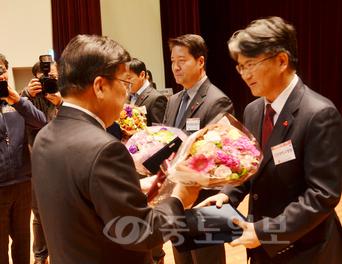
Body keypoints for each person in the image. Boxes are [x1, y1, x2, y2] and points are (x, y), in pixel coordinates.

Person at [31, 34, 200, 264]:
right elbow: (141, 233)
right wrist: (179, 198)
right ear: (100, 86)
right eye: (124, 84)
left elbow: (78, 197)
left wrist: (134, 185)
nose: (127, 94)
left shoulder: (45, 135)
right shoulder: (104, 149)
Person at [197, 17, 342, 264]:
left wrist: (265, 232)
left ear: (281, 61)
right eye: (240, 66)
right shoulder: (254, 110)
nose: (245, 74)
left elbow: (323, 195)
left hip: (306, 251)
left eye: (251, 64)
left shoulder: (319, 115)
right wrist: (227, 194)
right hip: (264, 248)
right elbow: (252, 165)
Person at [162, 34, 234, 264]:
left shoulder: (217, 100)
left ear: (200, 62)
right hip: (177, 197)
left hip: (204, 199)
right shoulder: (173, 101)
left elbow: (218, 157)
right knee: (182, 259)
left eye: (182, 60)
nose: (176, 67)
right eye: (173, 61)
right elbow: (168, 143)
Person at [0, 53, 46, 264]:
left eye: (1, 70)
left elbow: (40, 122)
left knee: (21, 243)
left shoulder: (16, 103)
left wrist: (18, 100)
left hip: (22, 182)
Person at [19, 60, 62, 264]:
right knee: (37, 213)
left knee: (63, 211)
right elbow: (17, 113)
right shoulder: (26, 97)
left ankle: (60, 253)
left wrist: (61, 102)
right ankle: (40, 256)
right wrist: (27, 94)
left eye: (53, 76)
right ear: (35, 79)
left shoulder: (65, 95)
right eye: (44, 78)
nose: (49, 81)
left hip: (61, 162)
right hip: (35, 160)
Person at [126, 59, 167, 126]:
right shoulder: (127, 96)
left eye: (129, 78)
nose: (126, 82)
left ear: (142, 75)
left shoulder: (156, 98)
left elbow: (159, 130)